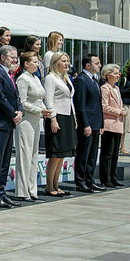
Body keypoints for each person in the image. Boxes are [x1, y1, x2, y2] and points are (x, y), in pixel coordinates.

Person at [0, 45, 23, 208]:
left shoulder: (9, 75)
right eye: (12, 57)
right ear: (2, 57)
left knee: (5, 161)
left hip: (8, 122)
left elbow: (16, 97)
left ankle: (2, 191)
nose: (15, 60)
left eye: (16, 57)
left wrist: (20, 111)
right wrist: (13, 114)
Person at [42, 52, 78, 197]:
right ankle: (49, 186)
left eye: (67, 61)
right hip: (57, 117)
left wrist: (74, 117)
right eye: (63, 61)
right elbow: (49, 101)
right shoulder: (50, 78)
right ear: (55, 62)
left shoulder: (66, 78)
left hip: (67, 116)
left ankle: (56, 185)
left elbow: (70, 100)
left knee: (62, 154)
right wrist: (53, 119)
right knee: (55, 154)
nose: (66, 64)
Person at [15, 51, 49, 202]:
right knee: (24, 155)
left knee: (34, 154)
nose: (37, 64)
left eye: (37, 62)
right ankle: (22, 191)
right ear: (25, 64)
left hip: (36, 119)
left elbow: (40, 98)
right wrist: (39, 110)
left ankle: (32, 189)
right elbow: (22, 102)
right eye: (34, 62)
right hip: (26, 120)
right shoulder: (23, 79)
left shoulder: (35, 78)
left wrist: (46, 110)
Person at [73, 54, 106, 193]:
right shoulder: (81, 80)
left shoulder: (94, 80)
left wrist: (101, 124)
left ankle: (90, 179)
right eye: (97, 63)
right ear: (88, 65)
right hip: (87, 124)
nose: (100, 65)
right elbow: (80, 105)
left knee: (93, 154)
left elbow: (97, 104)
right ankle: (80, 181)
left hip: (96, 122)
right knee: (83, 153)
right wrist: (85, 124)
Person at [100, 63, 127, 189]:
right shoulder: (105, 88)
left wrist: (122, 110)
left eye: (118, 73)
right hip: (109, 124)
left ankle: (113, 176)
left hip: (118, 124)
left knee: (115, 153)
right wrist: (119, 112)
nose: (118, 75)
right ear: (107, 75)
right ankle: (106, 178)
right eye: (115, 73)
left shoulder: (116, 89)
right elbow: (104, 106)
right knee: (107, 153)